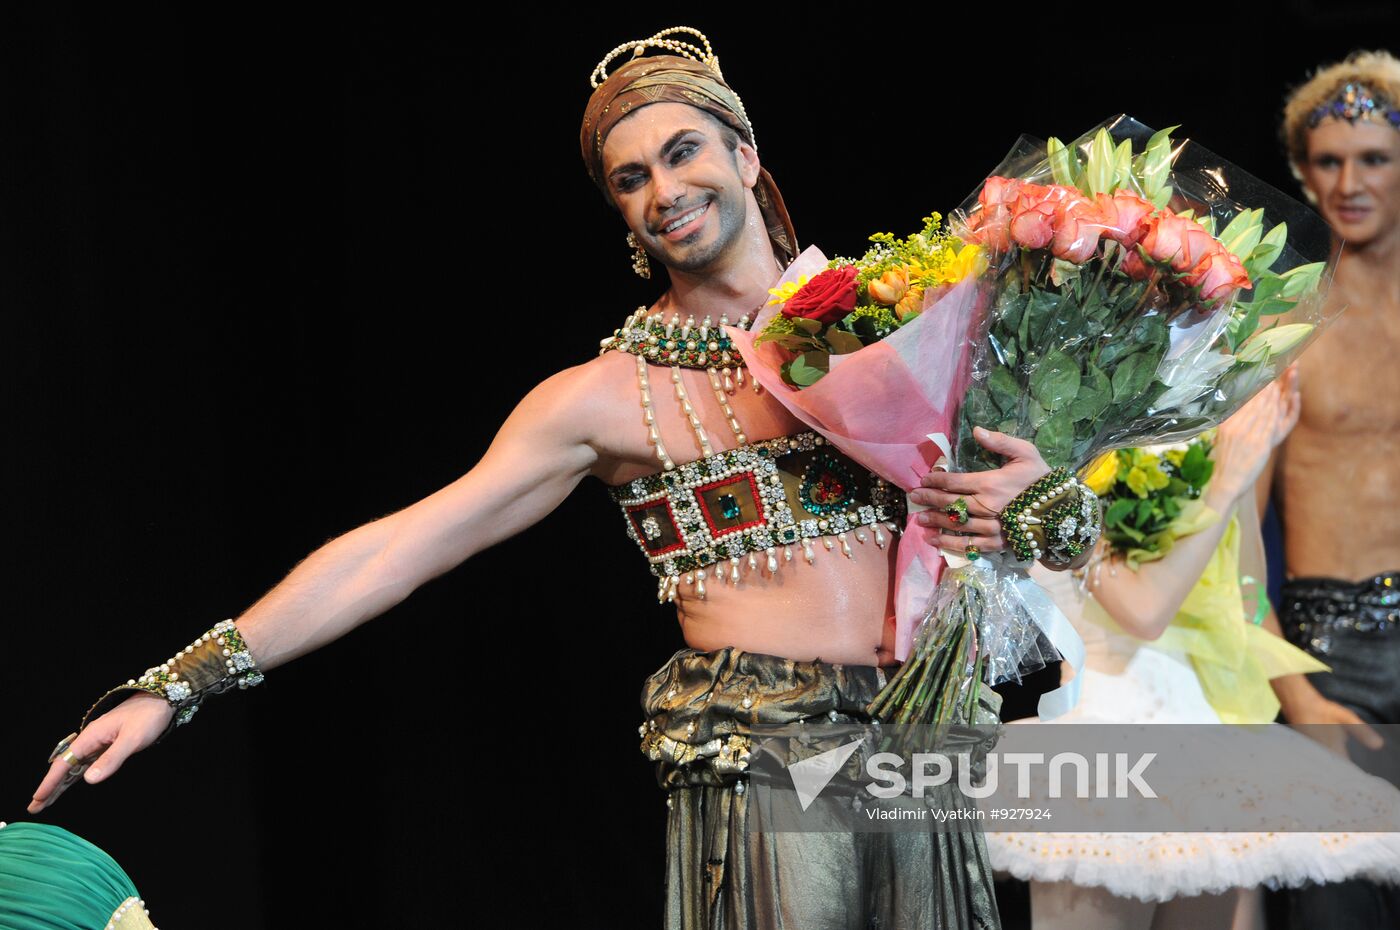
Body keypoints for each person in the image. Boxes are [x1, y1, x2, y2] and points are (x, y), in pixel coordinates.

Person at [27, 28, 1095, 929]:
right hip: (765, 765)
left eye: (683, 154)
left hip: (925, 746)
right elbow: (399, 548)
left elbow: (1088, 536)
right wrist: (179, 685)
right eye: (630, 179)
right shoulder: (599, 398)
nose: (664, 192)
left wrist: (1047, 503)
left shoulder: (902, 319)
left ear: (745, 152)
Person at [985, 378, 1400, 930]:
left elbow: (1246, 591)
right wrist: (1227, 482)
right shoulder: (1068, 430)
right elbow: (1144, 612)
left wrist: (1296, 694)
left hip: (1206, 732)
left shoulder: (1211, 408)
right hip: (1103, 736)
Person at [1268, 49, 1400, 929]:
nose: (1349, 181)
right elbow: (1223, 539)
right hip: (1331, 659)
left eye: (1375, 157)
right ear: (1302, 173)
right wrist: (1298, 696)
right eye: (1327, 159)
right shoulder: (1284, 323)